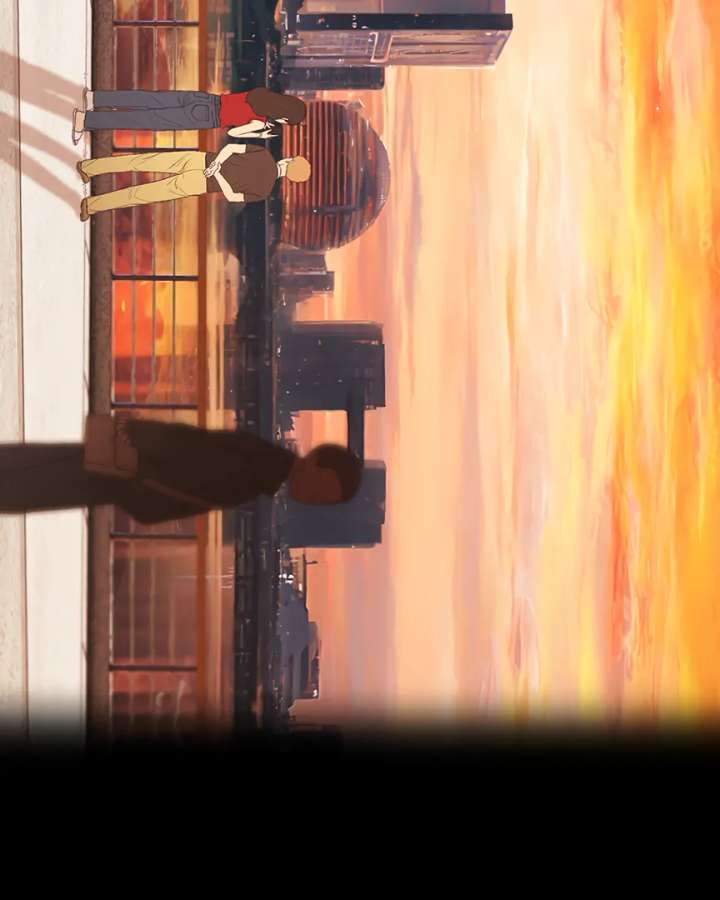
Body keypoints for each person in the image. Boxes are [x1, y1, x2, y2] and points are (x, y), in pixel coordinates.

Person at [0, 415, 363, 526]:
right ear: (315, 459)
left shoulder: (267, 467)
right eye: (321, 489)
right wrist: (144, 483)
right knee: (35, 483)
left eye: (321, 501)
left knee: (38, 471)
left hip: (131, 469)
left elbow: (197, 449)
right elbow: (195, 460)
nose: (312, 499)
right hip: (132, 473)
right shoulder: (261, 471)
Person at [76, 144, 311, 220]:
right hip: (203, 183)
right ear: (289, 178)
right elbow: (231, 196)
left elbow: (231, 147)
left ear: (288, 160)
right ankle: (92, 205)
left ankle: (90, 167)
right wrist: (217, 176)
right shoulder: (264, 190)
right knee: (143, 194)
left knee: (141, 161)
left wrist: (216, 164)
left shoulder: (264, 154)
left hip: (201, 159)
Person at [72, 86, 306, 142]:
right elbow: (234, 133)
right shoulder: (261, 121)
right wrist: (260, 134)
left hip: (205, 98)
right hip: (206, 117)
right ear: (285, 117)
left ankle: (96, 98)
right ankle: (87, 120)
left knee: (148, 99)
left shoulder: (261, 94)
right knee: (144, 119)